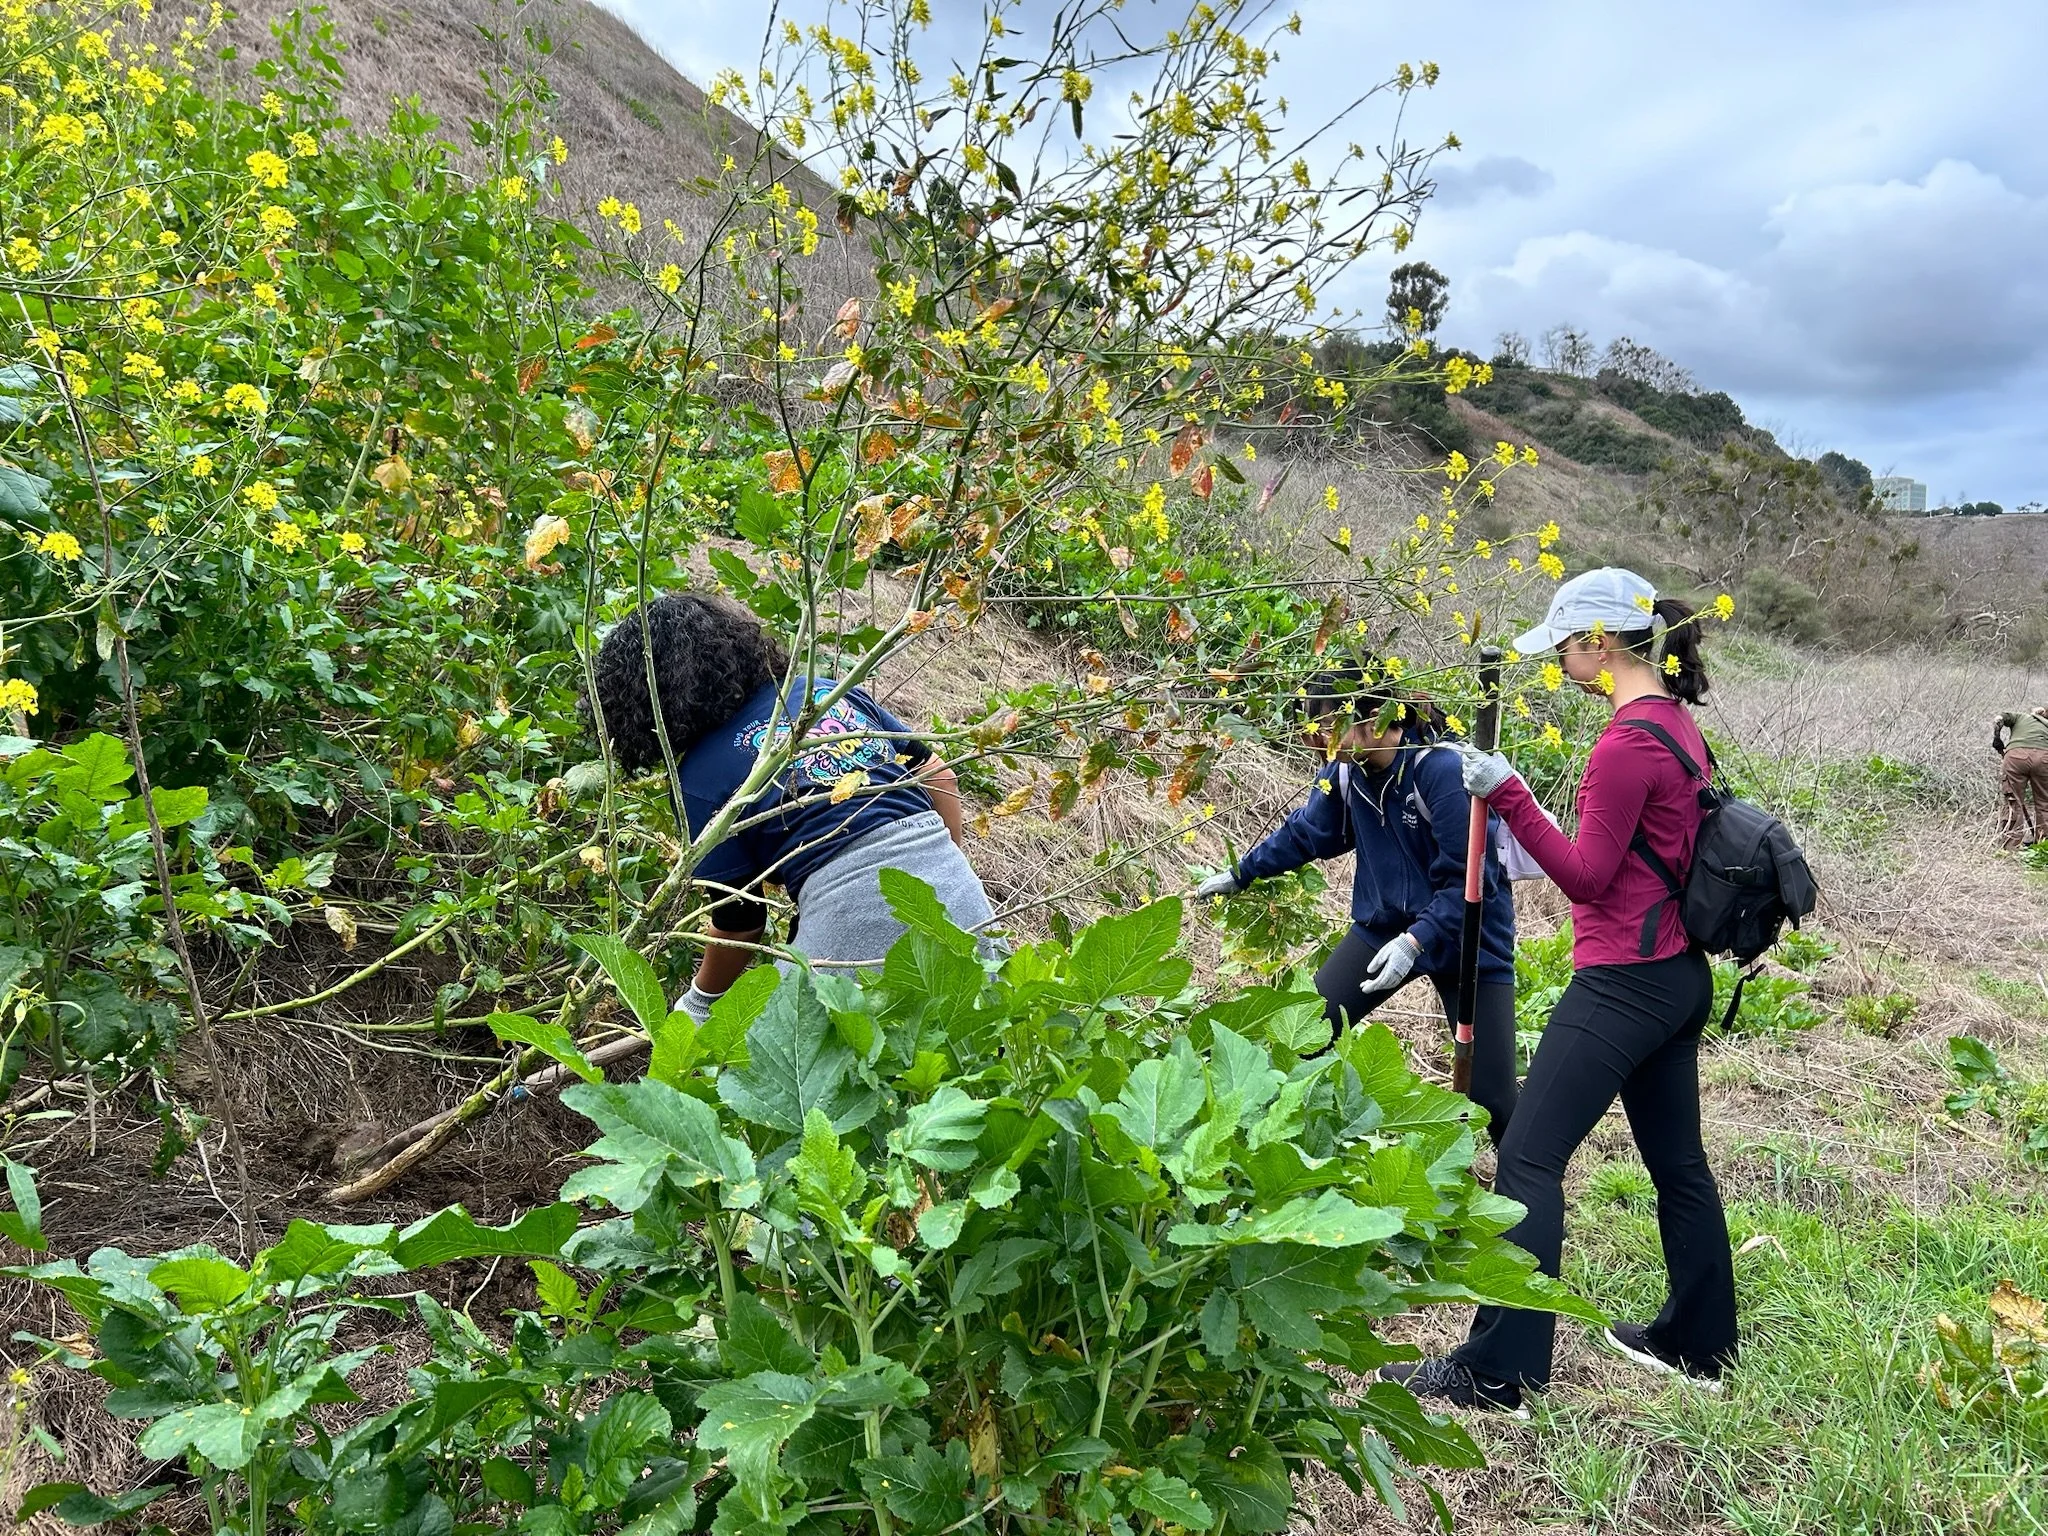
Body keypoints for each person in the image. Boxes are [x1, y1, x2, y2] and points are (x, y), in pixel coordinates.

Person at [1382, 567, 1737, 1415]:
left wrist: (1507, 792)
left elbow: (1585, 877)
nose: (1565, 663)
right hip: (1681, 978)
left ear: (1600, 643)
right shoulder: (1680, 727)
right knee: (1679, 1164)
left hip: (1623, 981)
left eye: (1568, 646)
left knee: (1529, 1160)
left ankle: (1499, 1371)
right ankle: (1700, 1341)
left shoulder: (1623, 743)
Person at [588, 591, 994, 1018]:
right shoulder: (824, 693)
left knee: (777, 1058)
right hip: (964, 901)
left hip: (853, 920)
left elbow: (741, 924)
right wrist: (938, 878)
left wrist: (700, 1002)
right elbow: (940, 775)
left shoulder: (699, 779)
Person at [1194, 666, 1518, 1144]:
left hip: (1465, 939)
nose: (1314, 740)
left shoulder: (1442, 771)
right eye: (1310, 728)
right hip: (1382, 926)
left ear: (1375, 720)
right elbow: (1308, 832)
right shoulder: (1346, 771)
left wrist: (1416, 941)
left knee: (1493, 1100)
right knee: (1302, 1037)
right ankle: (1270, 1147)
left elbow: (1471, 883)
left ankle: (1530, 1199)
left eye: (1326, 728)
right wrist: (1242, 873)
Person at [1993, 705, 2048, 848]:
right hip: (2043, 759)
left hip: (2016, 757)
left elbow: (2001, 717)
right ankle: (2043, 846)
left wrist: (1997, 736)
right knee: (2044, 803)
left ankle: (2010, 846)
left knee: (2013, 801)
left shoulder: (2022, 717)